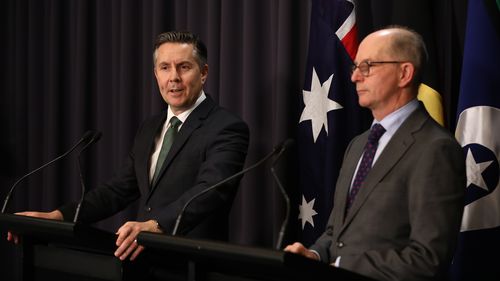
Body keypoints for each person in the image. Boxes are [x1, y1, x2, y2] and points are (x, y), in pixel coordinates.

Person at [7, 31, 250, 262]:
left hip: (192, 264)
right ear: (156, 74)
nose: (173, 77)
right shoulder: (150, 127)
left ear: (204, 73)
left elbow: (211, 191)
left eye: (184, 67)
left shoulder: (226, 127)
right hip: (141, 260)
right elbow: (118, 190)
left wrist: (155, 225)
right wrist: (58, 216)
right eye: (165, 68)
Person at [285, 26, 466, 281]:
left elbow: (428, 258)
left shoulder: (436, 149)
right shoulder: (358, 145)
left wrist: (339, 266)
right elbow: (338, 232)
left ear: (404, 73)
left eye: (367, 66)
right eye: (355, 67)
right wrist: (314, 256)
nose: (355, 77)